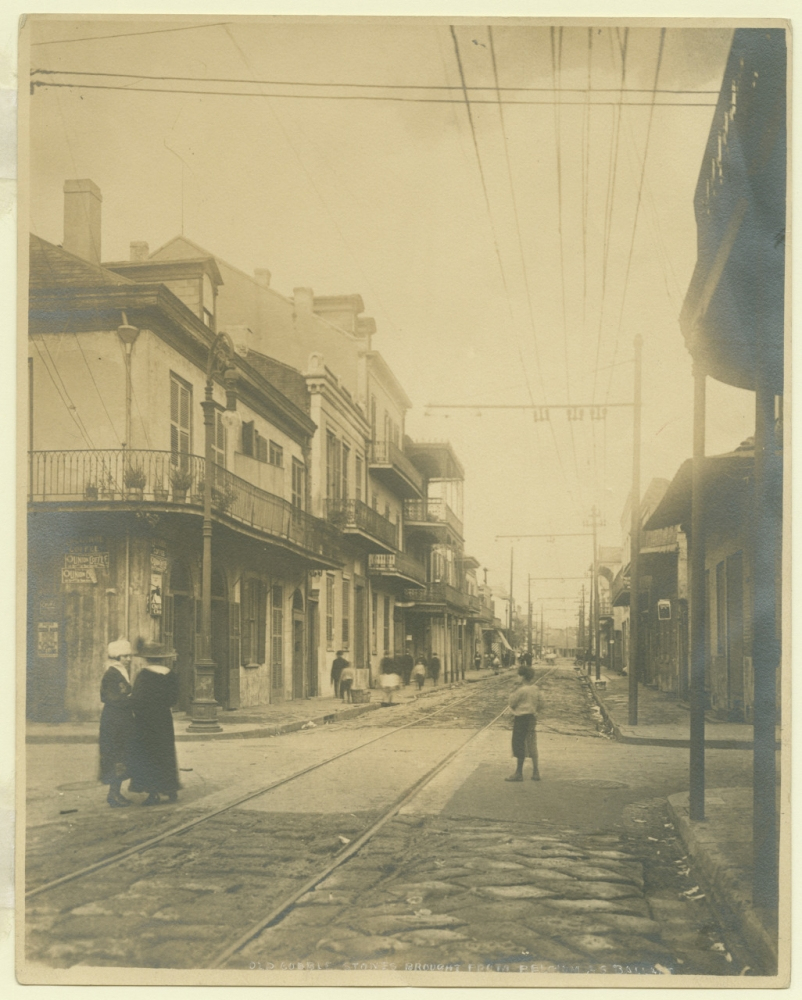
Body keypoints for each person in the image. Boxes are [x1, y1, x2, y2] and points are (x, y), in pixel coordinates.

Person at [128, 641, 181, 805]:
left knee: (149, 754)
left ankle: (153, 793)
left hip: (146, 720)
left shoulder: (144, 675)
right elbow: (174, 697)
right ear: (162, 658)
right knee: (165, 751)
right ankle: (170, 789)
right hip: (164, 718)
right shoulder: (170, 674)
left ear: (147, 659)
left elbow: (137, 698)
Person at [98, 639, 135, 808]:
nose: (128, 658)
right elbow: (109, 697)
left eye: (129, 655)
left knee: (121, 756)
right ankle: (113, 795)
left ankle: (116, 793)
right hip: (114, 721)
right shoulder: (112, 673)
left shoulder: (119, 671)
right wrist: (131, 700)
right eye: (125, 656)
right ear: (117, 657)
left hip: (120, 718)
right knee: (116, 756)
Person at [505, 664, 543, 782]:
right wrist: (535, 710)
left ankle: (519, 773)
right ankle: (536, 772)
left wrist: (512, 692)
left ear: (522, 677)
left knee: (519, 744)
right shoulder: (535, 689)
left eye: (519, 675)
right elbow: (542, 704)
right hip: (531, 718)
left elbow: (512, 703)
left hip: (521, 719)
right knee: (532, 743)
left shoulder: (520, 690)